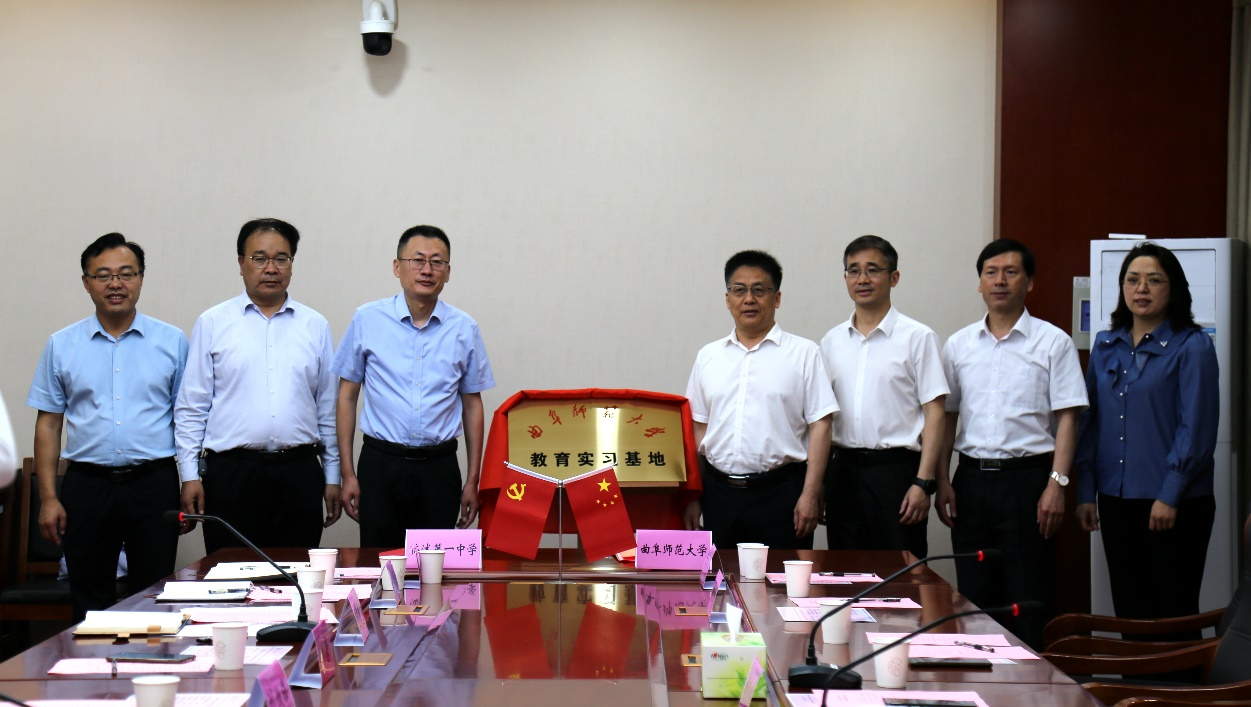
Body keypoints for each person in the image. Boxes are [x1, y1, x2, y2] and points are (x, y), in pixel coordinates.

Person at [26, 233, 188, 620]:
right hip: (87, 486)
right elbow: (49, 424)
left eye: (126, 273)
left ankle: (152, 661)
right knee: (89, 600)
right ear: (87, 282)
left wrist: (191, 480)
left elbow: (187, 418)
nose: (116, 284)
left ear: (141, 278)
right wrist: (49, 498)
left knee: (155, 596)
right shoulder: (62, 344)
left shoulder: (172, 341)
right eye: (103, 275)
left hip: (154, 484)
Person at [936, 239, 1087, 649]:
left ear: (1029, 282)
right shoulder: (959, 345)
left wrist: (1057, 484)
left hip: (1029, 484)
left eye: (1010, 272)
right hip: (970, 482)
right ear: (980, 284)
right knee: (974, 598)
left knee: (1029, 596)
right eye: (991, 273)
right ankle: (980, 674)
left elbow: (1069, 418)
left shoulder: (1053, 342)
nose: (999, 281)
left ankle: (1032, 679)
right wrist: (942, 479)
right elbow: (947, 417)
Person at [1075, 242, 1218, 636]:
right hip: (1116, 498)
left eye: (1154, 280)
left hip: (1175, 502)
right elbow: (1089, 421)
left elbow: (1197, 427)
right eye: (1132, 280)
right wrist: (1086, 491)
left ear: (1174, 289)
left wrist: (1169, 494)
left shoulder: (1193, 346)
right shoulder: (1106, 344)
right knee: (1131, 612)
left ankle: (1183, 680)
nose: (1141, 288)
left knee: (1174, 614)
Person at [175, 218, 341, 554]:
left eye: (281, 258)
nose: (271, 268)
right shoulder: (213, 323)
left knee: (297, 576)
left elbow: (327, 409)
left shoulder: (315, 325)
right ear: (241, 263)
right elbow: (192, 407)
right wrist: (189, 474)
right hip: (231, 475)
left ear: (292, 264)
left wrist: (333, 475)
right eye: (259, 258)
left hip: (299, 472)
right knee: (230, 575)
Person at [334, 225, 495, 547]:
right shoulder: (367, 319)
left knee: (435, 564)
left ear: (448, 272)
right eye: (417, 260)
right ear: (397, 267)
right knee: (380, 561)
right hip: (380, 464)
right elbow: (347, 397)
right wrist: (347, 474)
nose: (426, 270)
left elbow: (472, 404)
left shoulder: (464, 328)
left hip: (439, 468)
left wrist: (472, 481)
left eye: (437, 262)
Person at [684, 250, 838, 550]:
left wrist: (810, 494)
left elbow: (822, 426)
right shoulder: (708, 356)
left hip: (782, 494)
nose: (749, 299)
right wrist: (693, 497)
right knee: (720, 576)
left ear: (776, 298)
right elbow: (697, 430)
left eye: (759, 290)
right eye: (739, 290)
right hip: (719, 495)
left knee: (781, 578)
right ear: (727, 299)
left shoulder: (804, 353)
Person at [819, 236, 948, 559]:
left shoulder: (918, 337)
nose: (862, 279)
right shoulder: (832, 341)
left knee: (902, 572)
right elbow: (822, 418)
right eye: (853, 271)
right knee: (845, 572)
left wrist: (923, 482)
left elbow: (935, 414)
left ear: (894, 277)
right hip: (842, 472)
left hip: (896, 474)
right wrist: (819, 483)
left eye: (873, 270)